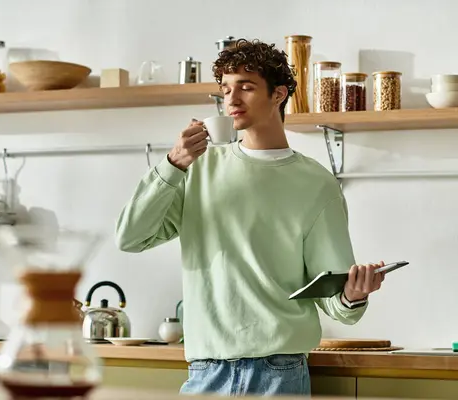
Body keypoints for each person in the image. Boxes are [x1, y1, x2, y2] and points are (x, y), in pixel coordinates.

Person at [114, 38, 386, 397]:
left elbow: (335, 299)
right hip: (205, 372)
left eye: (246, 86)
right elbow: (130, 238)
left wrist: (354, 294)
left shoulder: (316, 183)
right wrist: (172, 164)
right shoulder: (196, 169)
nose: (231, 99)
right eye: (226, 89)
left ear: (278, 95)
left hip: (279, 374)